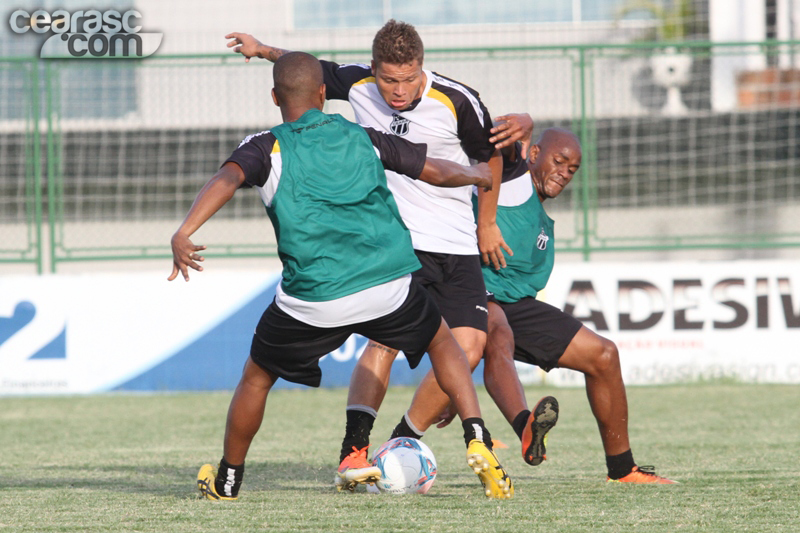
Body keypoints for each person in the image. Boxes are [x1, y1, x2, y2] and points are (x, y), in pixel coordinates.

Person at [169, 51, 514, 500]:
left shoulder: (264, 146)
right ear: (322, 94)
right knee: (442, 340)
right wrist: (477, 174)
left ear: (275, 97)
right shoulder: (362, 136)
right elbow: (434, 170)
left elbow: (226, 180)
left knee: (257, 377)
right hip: (387, 286)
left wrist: (185, 231)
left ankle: (228, 480)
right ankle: (477, 438)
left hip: (315, 297)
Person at [391, 128, 677, 484]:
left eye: (572, 169)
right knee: (496, 330)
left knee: (603, 355)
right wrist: (522, 124)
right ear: (534, 153)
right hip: (468, 292)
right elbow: (491, 144)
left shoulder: (540, 217)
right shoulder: (512, 182)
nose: (565, 172)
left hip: (513, 304)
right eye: (558, 161)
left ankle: (622, 469)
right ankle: (407, 443)